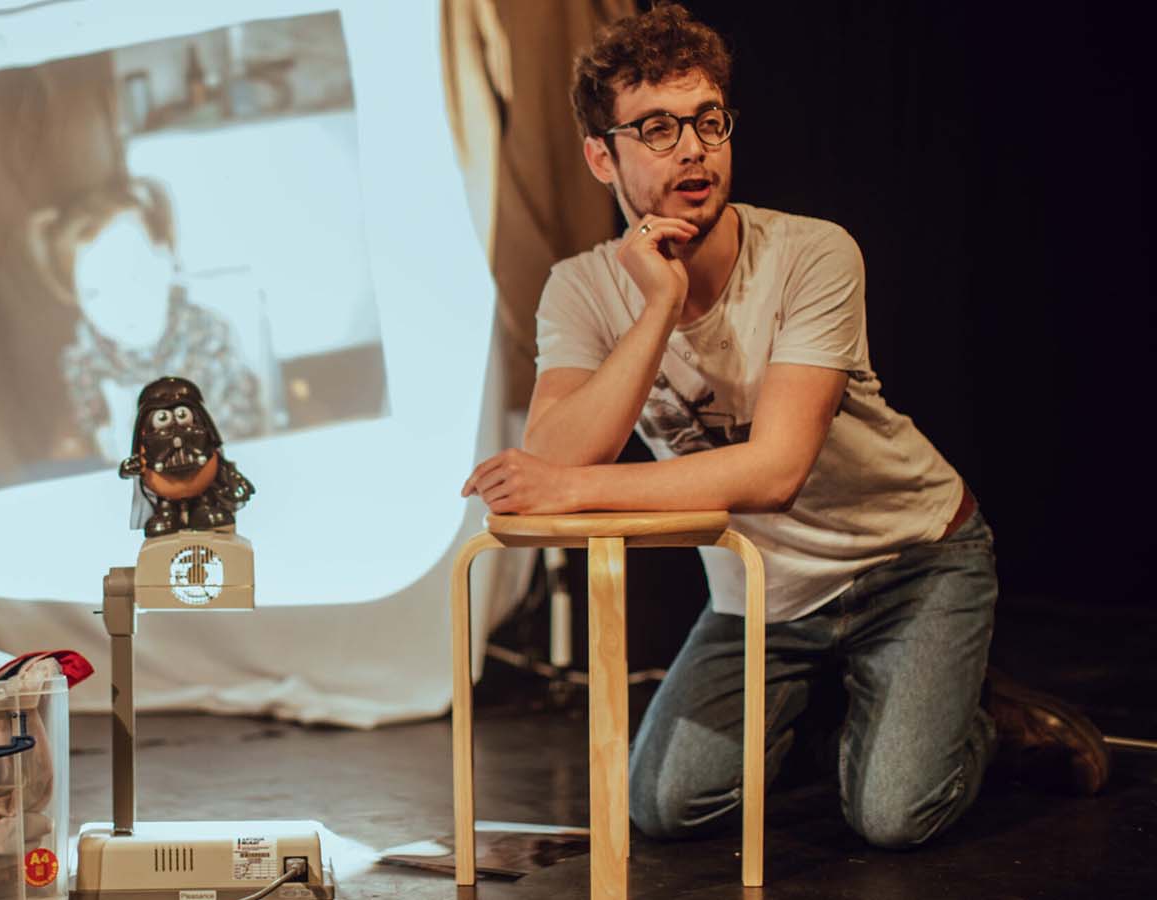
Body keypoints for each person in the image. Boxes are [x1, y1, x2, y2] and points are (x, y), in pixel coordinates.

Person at [459, 3, 1109, 849]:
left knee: (893, 817)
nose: (692, 148)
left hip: (910, 562)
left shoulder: (813, 253)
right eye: (657, 128)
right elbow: (551, 454)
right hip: (762, 594)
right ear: (599, 154)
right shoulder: (579, 290)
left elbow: (773, 473)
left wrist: (575, 486)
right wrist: (657, 308)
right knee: (665, 807)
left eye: (708, 122)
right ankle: (847, 709)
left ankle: (979, 722)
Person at [27, 177, 266, 468]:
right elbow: (90, 431)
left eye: (135, 276)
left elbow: (241, 430)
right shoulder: (84, 359)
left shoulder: (208, 335)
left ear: (166, 260)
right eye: (95, 292)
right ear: (76, 297)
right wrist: (106, 438)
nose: (122, 305)